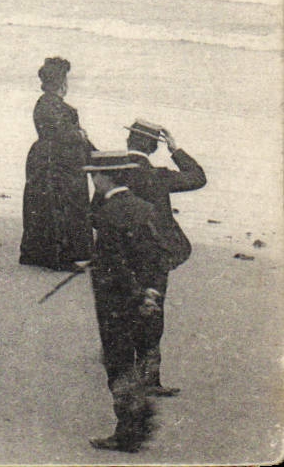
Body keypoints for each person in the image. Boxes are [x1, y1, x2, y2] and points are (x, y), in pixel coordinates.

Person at [82, 151, 173, 453]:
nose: (93, 180)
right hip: (145, 297)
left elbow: (115, 265)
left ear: (104, 177)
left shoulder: (107, 214)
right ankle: (139, 422)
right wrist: (151, 292)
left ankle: (129, 432)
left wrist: (131, 290)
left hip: (115, 301)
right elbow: (157, 255)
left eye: (94, 174)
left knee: (118, 362)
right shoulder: (145, 208)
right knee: (133, 356)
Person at [121, 118, 205, 397]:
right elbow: (197, 177)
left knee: (121, 308)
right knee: (152, 312)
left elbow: (95, 213)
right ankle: (149, 378)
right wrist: (175, 149)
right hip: (153, 253)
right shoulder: (157, 176)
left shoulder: (114, 171)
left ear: (128, 141)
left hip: (120, 251)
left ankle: (122, 370)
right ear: (153, 148)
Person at [19, 57, 94, 271]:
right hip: (60, 161)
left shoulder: (44, 103)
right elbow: (63, 133)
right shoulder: (58, 107)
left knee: (42, 205)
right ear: (62, 83)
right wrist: (80, 136)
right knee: (63, 206)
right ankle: (61, 257)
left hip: (43, 157)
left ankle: (37, 253)